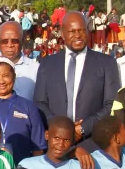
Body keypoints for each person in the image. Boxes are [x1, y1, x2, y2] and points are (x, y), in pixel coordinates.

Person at [34, 12, 120, 143]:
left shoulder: (107, 63)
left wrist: (83, 128)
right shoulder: (47, 64)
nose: (78, 35)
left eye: (81, 30)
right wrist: (60, 128)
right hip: (56, 144)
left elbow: (111, 103)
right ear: (62, 34)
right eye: (72, 31)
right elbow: (40, 102)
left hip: (93, 142)